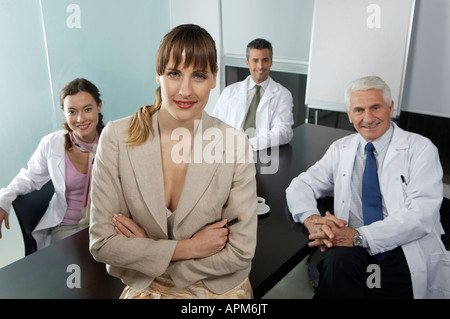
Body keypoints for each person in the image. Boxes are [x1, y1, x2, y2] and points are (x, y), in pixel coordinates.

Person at [89, 24, 257, 299]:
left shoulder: (235, 143)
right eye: (174, 74)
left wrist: (150, 254)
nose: (185, 90)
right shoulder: (116, 137)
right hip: (149, 289)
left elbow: (240, 251)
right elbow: (103, 243)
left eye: (199, 75)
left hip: (217, 290)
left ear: (215, 77)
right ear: (159, 75)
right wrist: (187, 248)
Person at [286, 75, 448, 298]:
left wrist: (359, 236)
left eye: (375, 107)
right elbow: (301, 184)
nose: (368, 118)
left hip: (402, 246)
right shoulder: (341, 148)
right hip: (353, 245)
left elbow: (421, 215)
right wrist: (312, 219)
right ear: (350, 115)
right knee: (335, 267)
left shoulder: (420, 149)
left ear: (390, 108)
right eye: (359, 110)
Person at [0, 78, 104, 249]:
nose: (80, 118)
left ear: (99, 107)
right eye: (72, 111)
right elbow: (29, 177)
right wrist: (3, 198)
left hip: (104, 223)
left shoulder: (112, 141)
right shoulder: (52, 144)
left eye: (87, 109)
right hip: (67, 226)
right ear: (64, 112)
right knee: (75, 267)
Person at [211, 38, 294, 151]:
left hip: (261, 153)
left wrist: (249, 145)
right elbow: (214, 126)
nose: (260, 66)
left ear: (271, 62)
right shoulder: (229, 92)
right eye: (255, 60)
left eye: (265, 60)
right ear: (247, 63)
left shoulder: (283, 94)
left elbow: (283, 132)